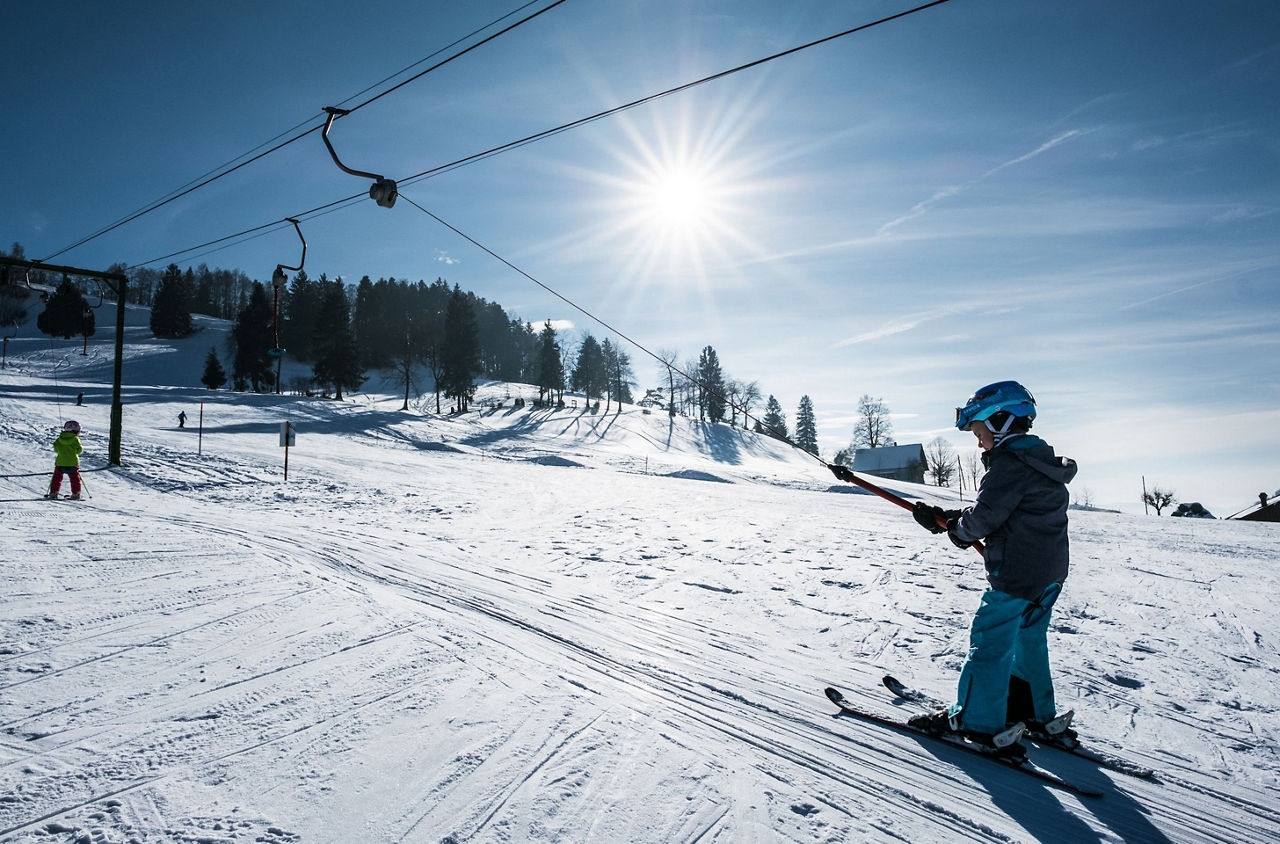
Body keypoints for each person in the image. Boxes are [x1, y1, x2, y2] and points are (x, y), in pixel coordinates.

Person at [907, 381, 1078, 757]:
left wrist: (956, 529)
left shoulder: (1008, 465)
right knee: (1027, 638)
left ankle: (977, 721)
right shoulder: (1041, 462)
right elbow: (1007, 511)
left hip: (1015, 575)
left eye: (980, 431)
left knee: (990, 641)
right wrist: (953, 518)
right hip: (1049, 573)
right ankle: (1034, 711)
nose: (978, 441)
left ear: (1001, 422)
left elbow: (985, 517)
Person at [47, 420, 84, 500]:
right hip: (72, 463)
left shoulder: (60, 438)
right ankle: (76, 493)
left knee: (57, 478)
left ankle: (53, 493)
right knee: (74, 479)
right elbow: (79, 450)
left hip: (60, 462)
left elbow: (56, 449)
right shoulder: (75, 439)